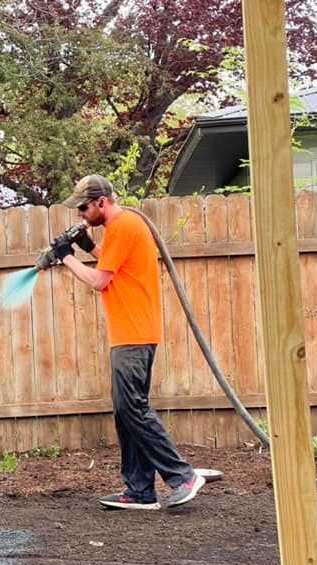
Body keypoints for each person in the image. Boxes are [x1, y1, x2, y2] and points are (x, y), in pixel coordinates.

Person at [52, 174, 205, 510]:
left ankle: (183, 476)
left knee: (133, 409)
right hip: (132, 333)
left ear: (101, 203)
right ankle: (139, 490)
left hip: (134, 335)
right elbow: (115, 263)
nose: (80, 214)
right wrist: (88, 247)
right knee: (125, 413)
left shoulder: (123, 225)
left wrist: (66, 256)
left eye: (83, 208)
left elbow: (99, 280)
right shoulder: (123, 228)